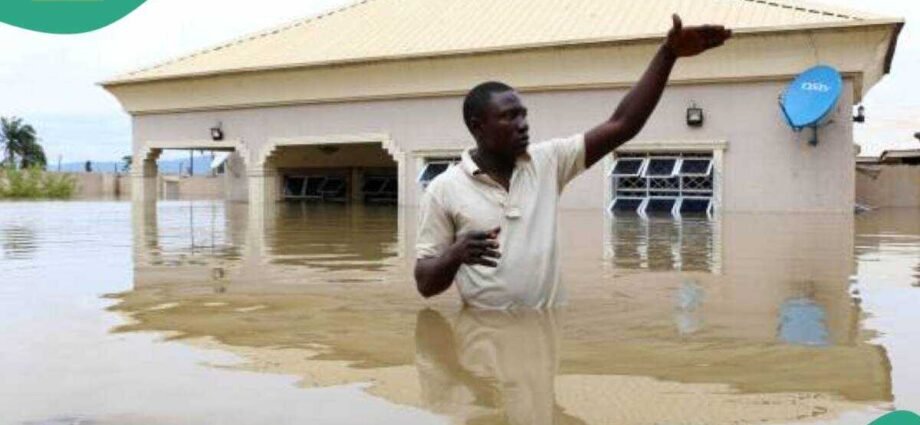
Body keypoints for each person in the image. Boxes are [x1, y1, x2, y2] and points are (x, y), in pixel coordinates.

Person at [414, 15, 731, 309]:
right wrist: (455, 255)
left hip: (541, 347)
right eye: (509, 117)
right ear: (477, 125)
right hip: (480, 346)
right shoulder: (444, 190)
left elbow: (623, 125)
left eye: (524, 114)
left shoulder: (548, 162)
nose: (523, 124)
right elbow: (425, 284)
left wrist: (667, 55)